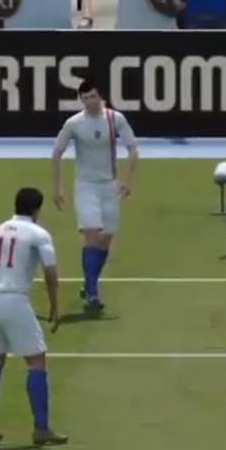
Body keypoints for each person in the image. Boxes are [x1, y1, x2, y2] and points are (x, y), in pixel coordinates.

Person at [0, 187, 69, 446]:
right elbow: (50, 274)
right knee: (36, 361)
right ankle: (41, 429)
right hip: (15, 299)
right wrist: (55, 307)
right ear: (37, 209)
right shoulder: (38, 234)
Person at [50, 80, 140, 315]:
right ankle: (92, 293)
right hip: (86, 186)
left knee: (106, 239)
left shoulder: (115, 119)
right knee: (91, 235)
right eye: (85, 98)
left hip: (110, 186)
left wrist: (127, 181)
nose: (89, 101)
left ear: (100, 96)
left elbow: (133, 150)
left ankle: (89, 282)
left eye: (92, 96)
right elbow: (57, 153)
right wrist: (57, 188)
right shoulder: (75, 123)